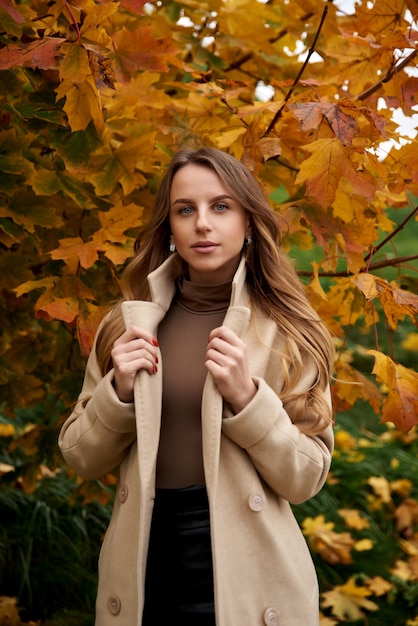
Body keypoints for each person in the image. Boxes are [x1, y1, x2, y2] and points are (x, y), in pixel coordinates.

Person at [58, 146, 335, 626]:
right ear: (169, 228)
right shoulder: (126, 326)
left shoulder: (290, 331)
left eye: (221, 206)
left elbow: (306, 478)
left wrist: (248, 401)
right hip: (144, 559)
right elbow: (80, 458)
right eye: (185, 210)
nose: (202, 223)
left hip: (251, 569)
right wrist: (118, 391)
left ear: (249, 222)